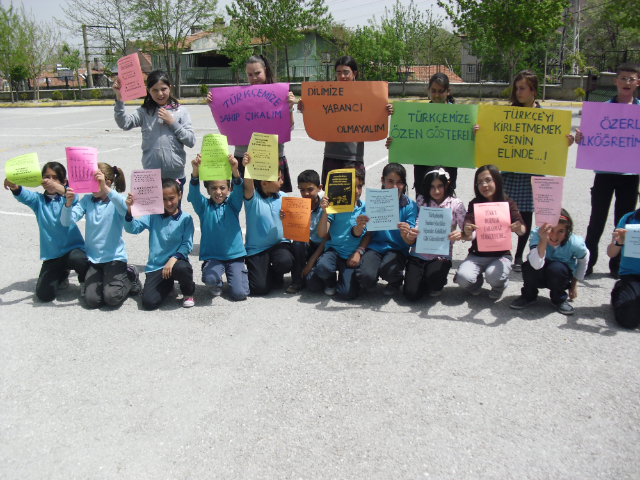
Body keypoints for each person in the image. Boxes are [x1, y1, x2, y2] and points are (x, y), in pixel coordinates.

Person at [476, 70, 574, 272]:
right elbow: (493, 138)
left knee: (526, 215)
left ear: (533, 90)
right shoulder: (508, 114)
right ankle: (498, 249)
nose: (518, 92)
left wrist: (566, 141)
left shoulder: (546, 117)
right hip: (510, 173)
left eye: (522, 88)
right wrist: (480, 131)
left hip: (532, 173)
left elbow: (553, 143)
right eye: (516, 88)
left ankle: (519, 255)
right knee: (502, 211)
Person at [575, 62, 640, 278]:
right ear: (615, 81)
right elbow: (590, 138)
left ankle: (618, 265)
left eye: (631, 79)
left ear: (637, 82)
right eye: (623, 78)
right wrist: (581, 138)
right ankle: (588, 263)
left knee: (624, 222)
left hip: (630, 176)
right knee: (596, 221)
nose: (627, 82)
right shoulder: (601, 109)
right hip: (604, 174)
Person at [297, 56, 393, 186]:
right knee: (331, 197)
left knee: (352, 195)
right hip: (331, 153)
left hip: (353, 156)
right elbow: (316, 113)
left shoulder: (365, 95)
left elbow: (375, 113)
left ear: (354, 73)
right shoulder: (327, 94)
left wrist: (385, 110)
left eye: (346, 72)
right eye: (338, 72)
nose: (342, 75)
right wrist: (305, 107)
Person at [207, 55, 296, 192]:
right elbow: (227, 120)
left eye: (257, 73)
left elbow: (289, 128)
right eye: (249, 74)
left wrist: (289, 107)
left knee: (273, 203)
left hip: (271, 155)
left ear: (265, 70)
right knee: (249, 202)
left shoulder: (280, 94)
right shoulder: (238, 96)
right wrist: (215, 103)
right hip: (245, 157)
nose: (254, 78)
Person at [4, 162, 89, 301]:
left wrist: (58, 187)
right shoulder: (38, 201)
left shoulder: (68, 197)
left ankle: (85, 281)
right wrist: (14, 186)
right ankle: (61, 275)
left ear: (63, 181)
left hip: (74, 250)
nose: (50, 180)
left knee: (79, 259)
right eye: (46, 177)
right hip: (53, 255)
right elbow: (23, 194)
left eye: (55, 177)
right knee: (44, 295)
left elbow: (73, 196)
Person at [61, 163, 141, 308]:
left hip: (114, 258)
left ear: (107, 182)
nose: (90, 186)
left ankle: (130, 275)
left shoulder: (117, 200)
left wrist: (106, 189)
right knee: (92, 301)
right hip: (94, 259)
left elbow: (125, 209)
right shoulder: (87, 200)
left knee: (112, 298)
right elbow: (66, 221)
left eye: (95, 182)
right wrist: (68, 203)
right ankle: (105, 280)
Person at [113, 70, 195, 189]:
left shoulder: (181, 112)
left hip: (175, 175)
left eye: (163, 89)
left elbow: (191, 141)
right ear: (148, 91)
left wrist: (172, 122)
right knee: (152, 208)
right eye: (155, 90)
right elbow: (124, 123)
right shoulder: (144, 112)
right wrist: (119, 98)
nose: (160, 94)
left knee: (173, 207)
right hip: (151, 175)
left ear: (170, 88)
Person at [455, 165, 525, 299]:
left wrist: (519, 228)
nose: (484, 185)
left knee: (493, 276)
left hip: (501, 255)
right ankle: (476, 284)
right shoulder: (475, 203)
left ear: (497, 181)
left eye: (488, 180)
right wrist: (467, 228)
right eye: (480, 182)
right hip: (477, 255)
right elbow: (468, 220)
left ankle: (500, 285)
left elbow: (522, 227)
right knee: (463, 278)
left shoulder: (508, 203)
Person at [124, 178, 196, 309]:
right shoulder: (153, 215)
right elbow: (132, 228)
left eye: (172, 198)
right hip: (157, 266)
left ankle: (188, 292)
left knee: (182, 269)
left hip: (176, 262)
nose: (168, 203)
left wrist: (173, 259)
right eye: (163, 199)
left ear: (180, 195)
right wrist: (129, 210)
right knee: (149, 303)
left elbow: (187, 244)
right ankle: (168, 285)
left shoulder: (186, 219)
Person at [188, 153, 249, 301]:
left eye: (222, 188)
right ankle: (215, 279)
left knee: (240, 294)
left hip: (234, 256)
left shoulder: (233, 205)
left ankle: (238, 274)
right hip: (213, 255)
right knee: (210, 279)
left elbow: (240, 188)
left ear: (228, 189)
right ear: (208, 190)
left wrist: (235, 170)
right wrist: (195, 171)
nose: (218, 192)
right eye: (213, 188)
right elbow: (194, 193)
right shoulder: (203, 207)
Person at [385, 72, 459, 192]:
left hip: (447, 172)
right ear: (428, 90)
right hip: (423, 173)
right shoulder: (418, 114)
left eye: (441, 91)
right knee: (422, 208)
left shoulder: (460, 115)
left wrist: (475, 131)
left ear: (448, 91)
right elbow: (409, 135)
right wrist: (395, 143)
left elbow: (465, 141)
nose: (437, 95)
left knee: (444, 207)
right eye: (433, 91)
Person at [402, 167, 466, 301]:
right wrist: (412, 231)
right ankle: (422, 277)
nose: (436, 191)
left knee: (434, 283)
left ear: (447, 185)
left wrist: (462, 234)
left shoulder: (456, 204)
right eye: (432, 187)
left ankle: (434, 280)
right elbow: (417, 221)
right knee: (410, 295)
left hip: (441, 255)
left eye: (440, 186)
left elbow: (469, 229)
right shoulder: (421, 201)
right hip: (418, 252)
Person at [510, 209, 589, 316]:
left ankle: (559, 299)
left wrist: (574, 283)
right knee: (529, 267)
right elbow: (535, 264)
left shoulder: (575, 243)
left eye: (560, 231)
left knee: (556, 268)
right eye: (551, 229)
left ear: (567, 231)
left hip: (560, 275)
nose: (554, 236)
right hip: (539, 270)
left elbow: (583, 259)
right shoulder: (537, 234)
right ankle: (528, 295)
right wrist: (543, 239)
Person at [356, 163, 417, 296]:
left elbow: (410, 242)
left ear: (404, 184)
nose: (395, 187)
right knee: (365, 277)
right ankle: (371, 278)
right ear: (383, 181)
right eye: (390, 181)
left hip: (397, 249)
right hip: (375, 247)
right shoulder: (374, 200)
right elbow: (368, 232)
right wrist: (361, 224)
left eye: (399, 182)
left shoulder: (410, 205)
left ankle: (395, 281)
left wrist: (405, 233)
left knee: (389, 271)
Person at [306, 169, 368, 300]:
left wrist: (358, 251)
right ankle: (330, 281)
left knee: (346, 294)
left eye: (360, 186)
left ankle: (347, 280)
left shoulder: (365, 208)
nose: (357, 191)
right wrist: (326, 212)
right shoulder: (335, 206)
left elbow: (361, 234)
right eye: (353, 187)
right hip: (333, 250)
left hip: (351, 255)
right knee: (315, 279)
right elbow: (322, 233)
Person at [242, 153, 294, 295]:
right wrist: (247, 167)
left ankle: (277, 275)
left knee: (285, 261)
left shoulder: (283, 196)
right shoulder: (253, 198)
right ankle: (266, 273)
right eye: (278, 179)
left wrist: (288, 217)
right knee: (259, 289)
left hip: (279, 244)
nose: (282, 181)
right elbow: (248, 186)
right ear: (264, 183)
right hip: (257, 249)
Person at [284, 169, 326, 294]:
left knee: (314, 285)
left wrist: (312, 261)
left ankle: (320, 275)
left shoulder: (325, 206)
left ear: (319, 188)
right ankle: (297, 280)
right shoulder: (297, 206)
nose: (306, 193)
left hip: (321, 247)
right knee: (297, 243)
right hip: (305, 245)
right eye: (302, 190)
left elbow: (327, 238)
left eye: (310, 189)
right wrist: (284, 217)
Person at [607, 201, 640, 328]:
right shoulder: (629, 219)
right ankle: (620, 290)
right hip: (632, 274)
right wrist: (619, 242)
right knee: (629, 320)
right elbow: (611, 253)